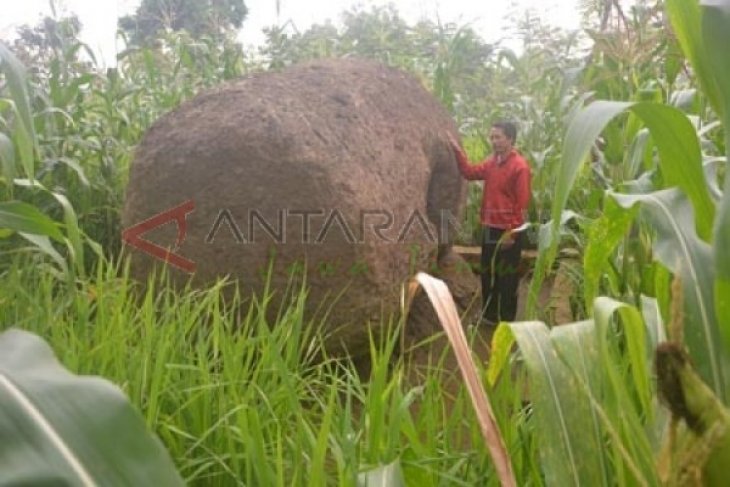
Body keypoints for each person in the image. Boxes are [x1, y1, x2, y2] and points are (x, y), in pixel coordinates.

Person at [447, 121, 531, 324]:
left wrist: (512, 233)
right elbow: (470, 172)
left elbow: (522, 203)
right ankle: (490, 315)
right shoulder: (493, 162)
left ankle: (508, 320)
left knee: (507, 276)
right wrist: (458, 152)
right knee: (487, 273)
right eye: (492, 137)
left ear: (510, 139)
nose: (494, 141)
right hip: (490, 227)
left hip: (508, 231)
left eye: (498, 137)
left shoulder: (520, 167)